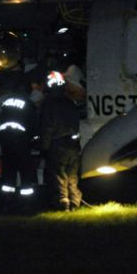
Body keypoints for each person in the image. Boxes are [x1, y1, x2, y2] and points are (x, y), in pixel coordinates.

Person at [39, 70, 82, 211]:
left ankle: (63, 203)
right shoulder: (71, 102)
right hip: (73, 145)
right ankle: (75, 202)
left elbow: (47, 126)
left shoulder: (48, 104)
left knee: (59, 176)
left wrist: (44, 147)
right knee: (72, 176)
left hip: (57, 145)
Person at [0, 81, 39, 198]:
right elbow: (33, 123)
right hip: (20, 140)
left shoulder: (7, 102)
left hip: (5, 139)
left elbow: (2, 118)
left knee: (8, 169)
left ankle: (7, 198)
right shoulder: (28, 103)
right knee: (25, 168)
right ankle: (26, 199)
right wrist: (35, 139)